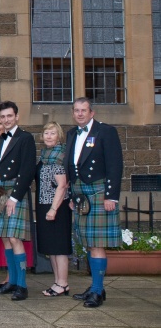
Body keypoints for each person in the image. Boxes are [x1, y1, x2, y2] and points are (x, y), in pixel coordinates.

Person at [65, 97, 123, 308]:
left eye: (83, 110)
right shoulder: (72, 134)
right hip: (81, 194)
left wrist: (111, 196)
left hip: (99, 193)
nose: (79, 114)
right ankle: (96, 286)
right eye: (76, 110)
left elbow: (115, 165)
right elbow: (70, 168)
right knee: (89, 243)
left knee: (97, 244)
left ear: (92, 112)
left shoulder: (105, 132)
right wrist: (72, 196)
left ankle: (97, 291)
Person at [0, 101, 36, 301]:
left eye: (9, 116)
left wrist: (15, 197)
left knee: (14, 238)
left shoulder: (25, 138)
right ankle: (12, 281)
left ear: (16, 116)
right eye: (3, 116)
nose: (6, 120)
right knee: (5, 237)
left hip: (16, 192)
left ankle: (22, 285)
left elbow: (28, 170)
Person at [35, 122, 71, 297]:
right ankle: (57, 282)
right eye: (46, 133)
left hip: (56, 206)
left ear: (59, 136)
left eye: (52, 133)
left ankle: (63, 283)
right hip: (44, 204)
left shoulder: (59, 155)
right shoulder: (45, 155)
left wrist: (53, 209)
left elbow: (62, 186)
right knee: (52, 248)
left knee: (59, 247)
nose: (48, 136)